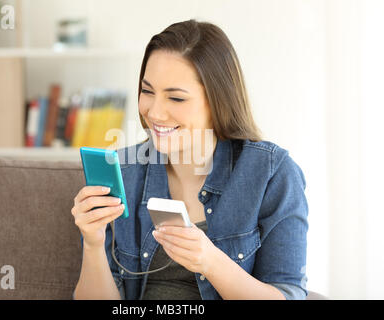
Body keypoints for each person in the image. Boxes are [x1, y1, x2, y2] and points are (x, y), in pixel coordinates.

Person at [71, 19, 308, 300]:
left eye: (176, 99)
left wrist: (209, 261)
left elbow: (288, 294)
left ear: (218, 101)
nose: (155, 113)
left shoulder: (271, 173)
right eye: (147, 92)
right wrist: (93, 244)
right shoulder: (124, 171)